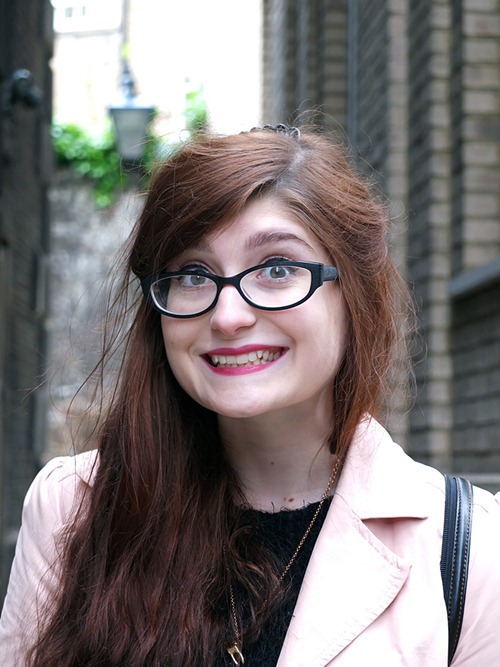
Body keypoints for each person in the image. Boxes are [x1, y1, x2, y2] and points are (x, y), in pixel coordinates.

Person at [0, 124, 499, 666]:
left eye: (277, 269)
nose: (228, 316)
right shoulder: (71, 508)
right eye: (193, 274)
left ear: (354, 294)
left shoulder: (469, 549)